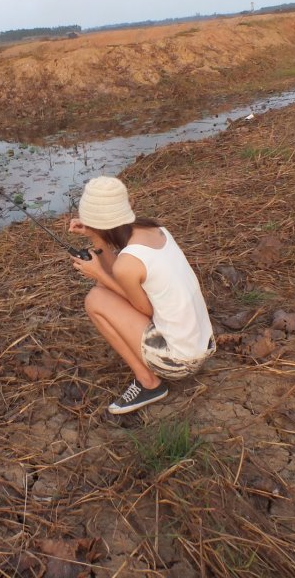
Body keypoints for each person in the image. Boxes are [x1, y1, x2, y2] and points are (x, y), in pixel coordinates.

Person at [68, 176, 215, 414]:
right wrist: (95, 237)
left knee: (95, 299)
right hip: (202, 344)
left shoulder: (127, 264)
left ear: (100, 223)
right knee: (103, 290)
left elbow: (144, 308)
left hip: (179, 362)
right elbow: (126, 274)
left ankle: (149, 383)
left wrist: (99, 274)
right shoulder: (156, 230)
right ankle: (151, 374)